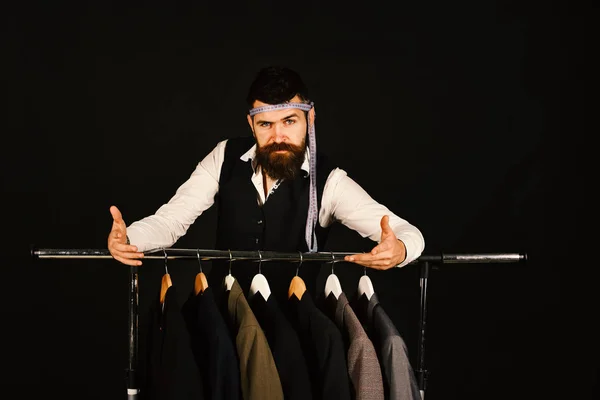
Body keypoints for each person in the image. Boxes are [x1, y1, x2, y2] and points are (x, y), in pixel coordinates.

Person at [107, 65, 425, 299]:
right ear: (251, 123)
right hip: (222, 315)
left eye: (289, 121)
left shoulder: (330, 183)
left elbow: (409, 234)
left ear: (309, 118)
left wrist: (399, 249)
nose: (277, 137)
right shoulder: (224, 156)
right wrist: (129, 238)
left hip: (294, 328)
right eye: (265, 124)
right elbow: (171, 220)